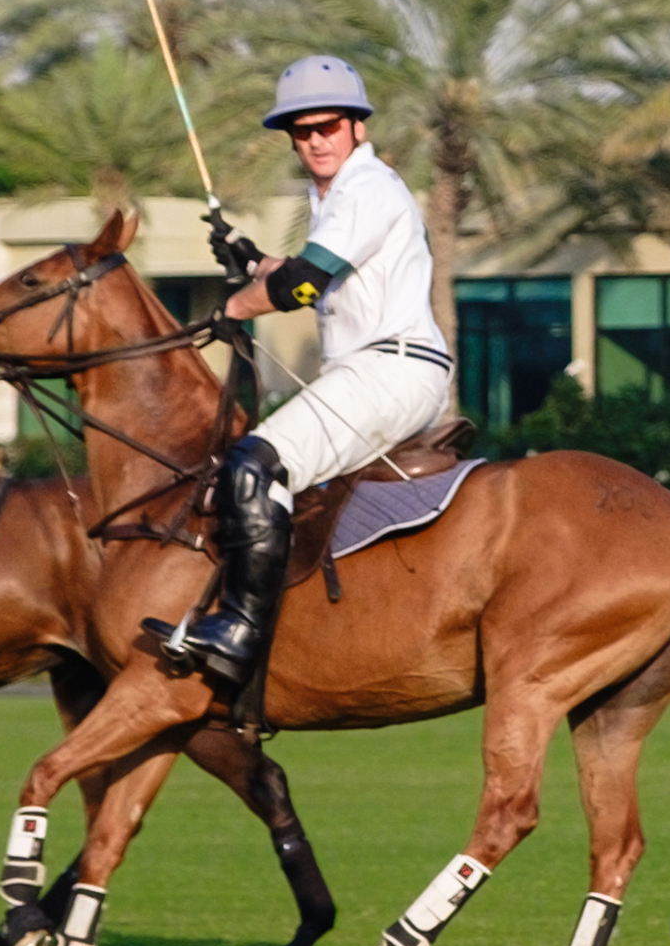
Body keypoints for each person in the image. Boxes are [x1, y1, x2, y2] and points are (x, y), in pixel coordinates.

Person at [157, 57, 454, 692]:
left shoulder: (366, 189)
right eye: (301, 131)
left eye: (327, 126)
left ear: (357, 127)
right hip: (376, 371)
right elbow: (305, 273)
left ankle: (239, 630)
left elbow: (304, 286)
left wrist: (236, 306)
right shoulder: (338, 196)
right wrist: (255, 259)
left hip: (388, 369)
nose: (315, 139)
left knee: (252, 465)